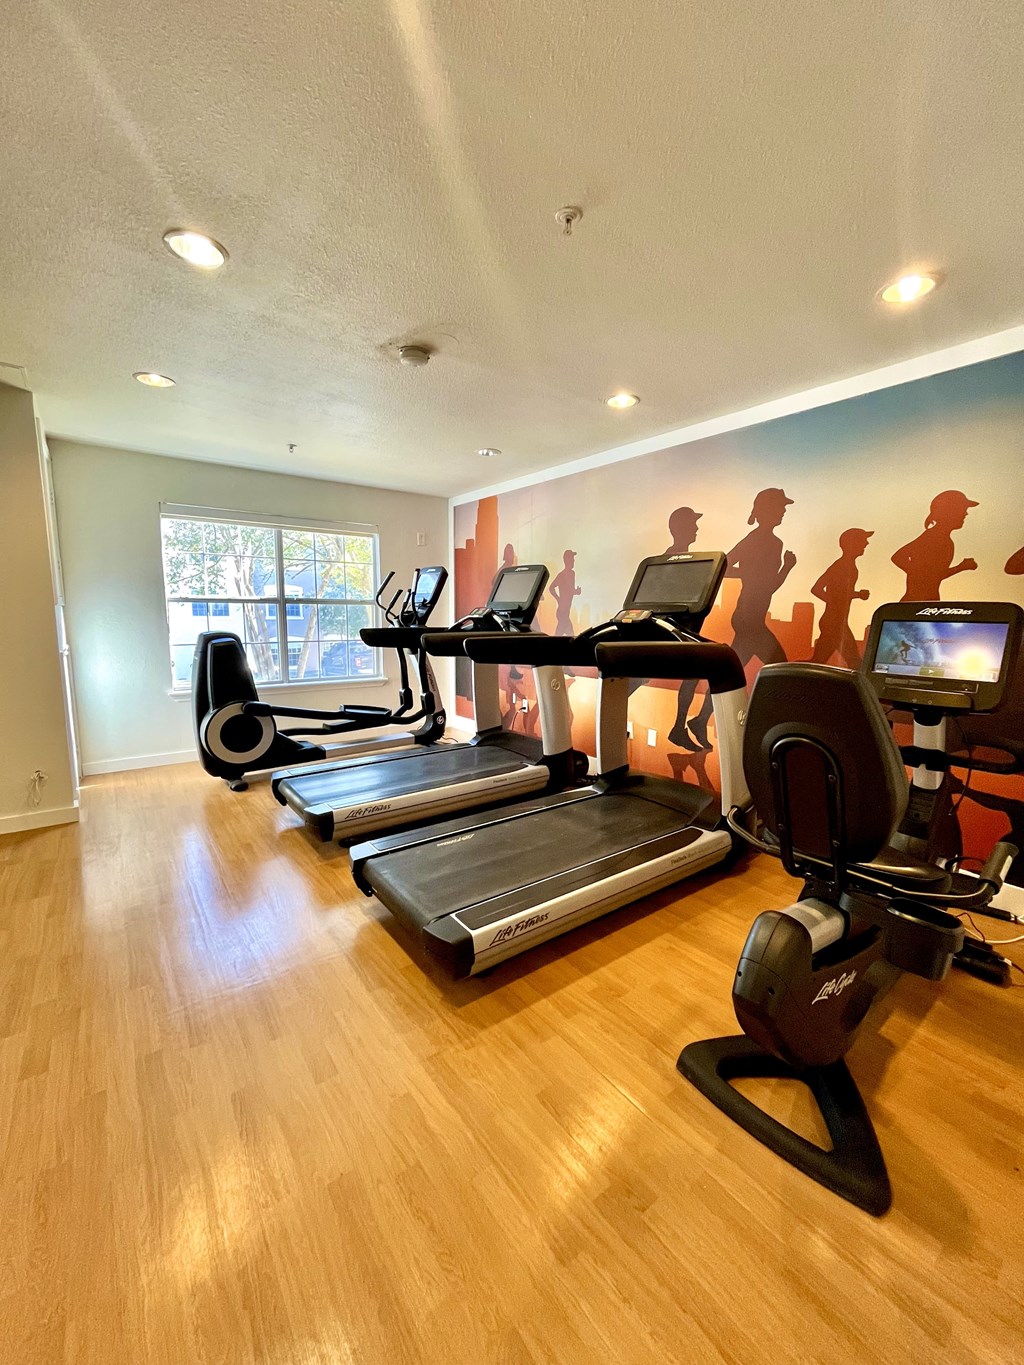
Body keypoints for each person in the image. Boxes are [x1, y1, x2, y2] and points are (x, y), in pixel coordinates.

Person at [726, 488, 797, 669]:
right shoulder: (760, 540)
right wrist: (748, 574)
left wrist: (785, 568)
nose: (784, 511)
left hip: (750, 618)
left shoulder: (772, 542)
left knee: (732, 669)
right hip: (749, 620)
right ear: (768, 509)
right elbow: (723, 567)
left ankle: (708, 695)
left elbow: (768, 587)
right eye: (781, 507)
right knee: (781, 668)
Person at [891, 491, 978, 601]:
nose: (965, 514)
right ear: (949, 512)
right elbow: (898, 557)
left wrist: (961, 567)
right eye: (962, 510)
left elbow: (936, 576)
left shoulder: (945, 540)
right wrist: (919, 573)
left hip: (927, 602)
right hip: (916, 603)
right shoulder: (933, 536)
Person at [809, 529, 872, 667]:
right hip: (835, 624)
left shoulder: (849, 566)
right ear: (852, 544)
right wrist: (855, 595)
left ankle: (793, 675)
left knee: (816, 662)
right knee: (855, 663)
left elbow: (839, 592)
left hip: (835, 622)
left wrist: (848, 597)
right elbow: (817, 589)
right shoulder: (842, 566)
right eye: (863, 540)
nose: (866, 543)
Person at [548, 550, 581, 637]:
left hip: (564, 611)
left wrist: (559, 599)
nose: (574, 561)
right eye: (572, 559)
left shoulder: (563, 574)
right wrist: (559, 599)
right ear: (568, 560)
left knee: (561, 635)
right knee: (570, 636)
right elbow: (570, 590)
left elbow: (568, 590)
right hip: (563, 612)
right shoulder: (568, 574)